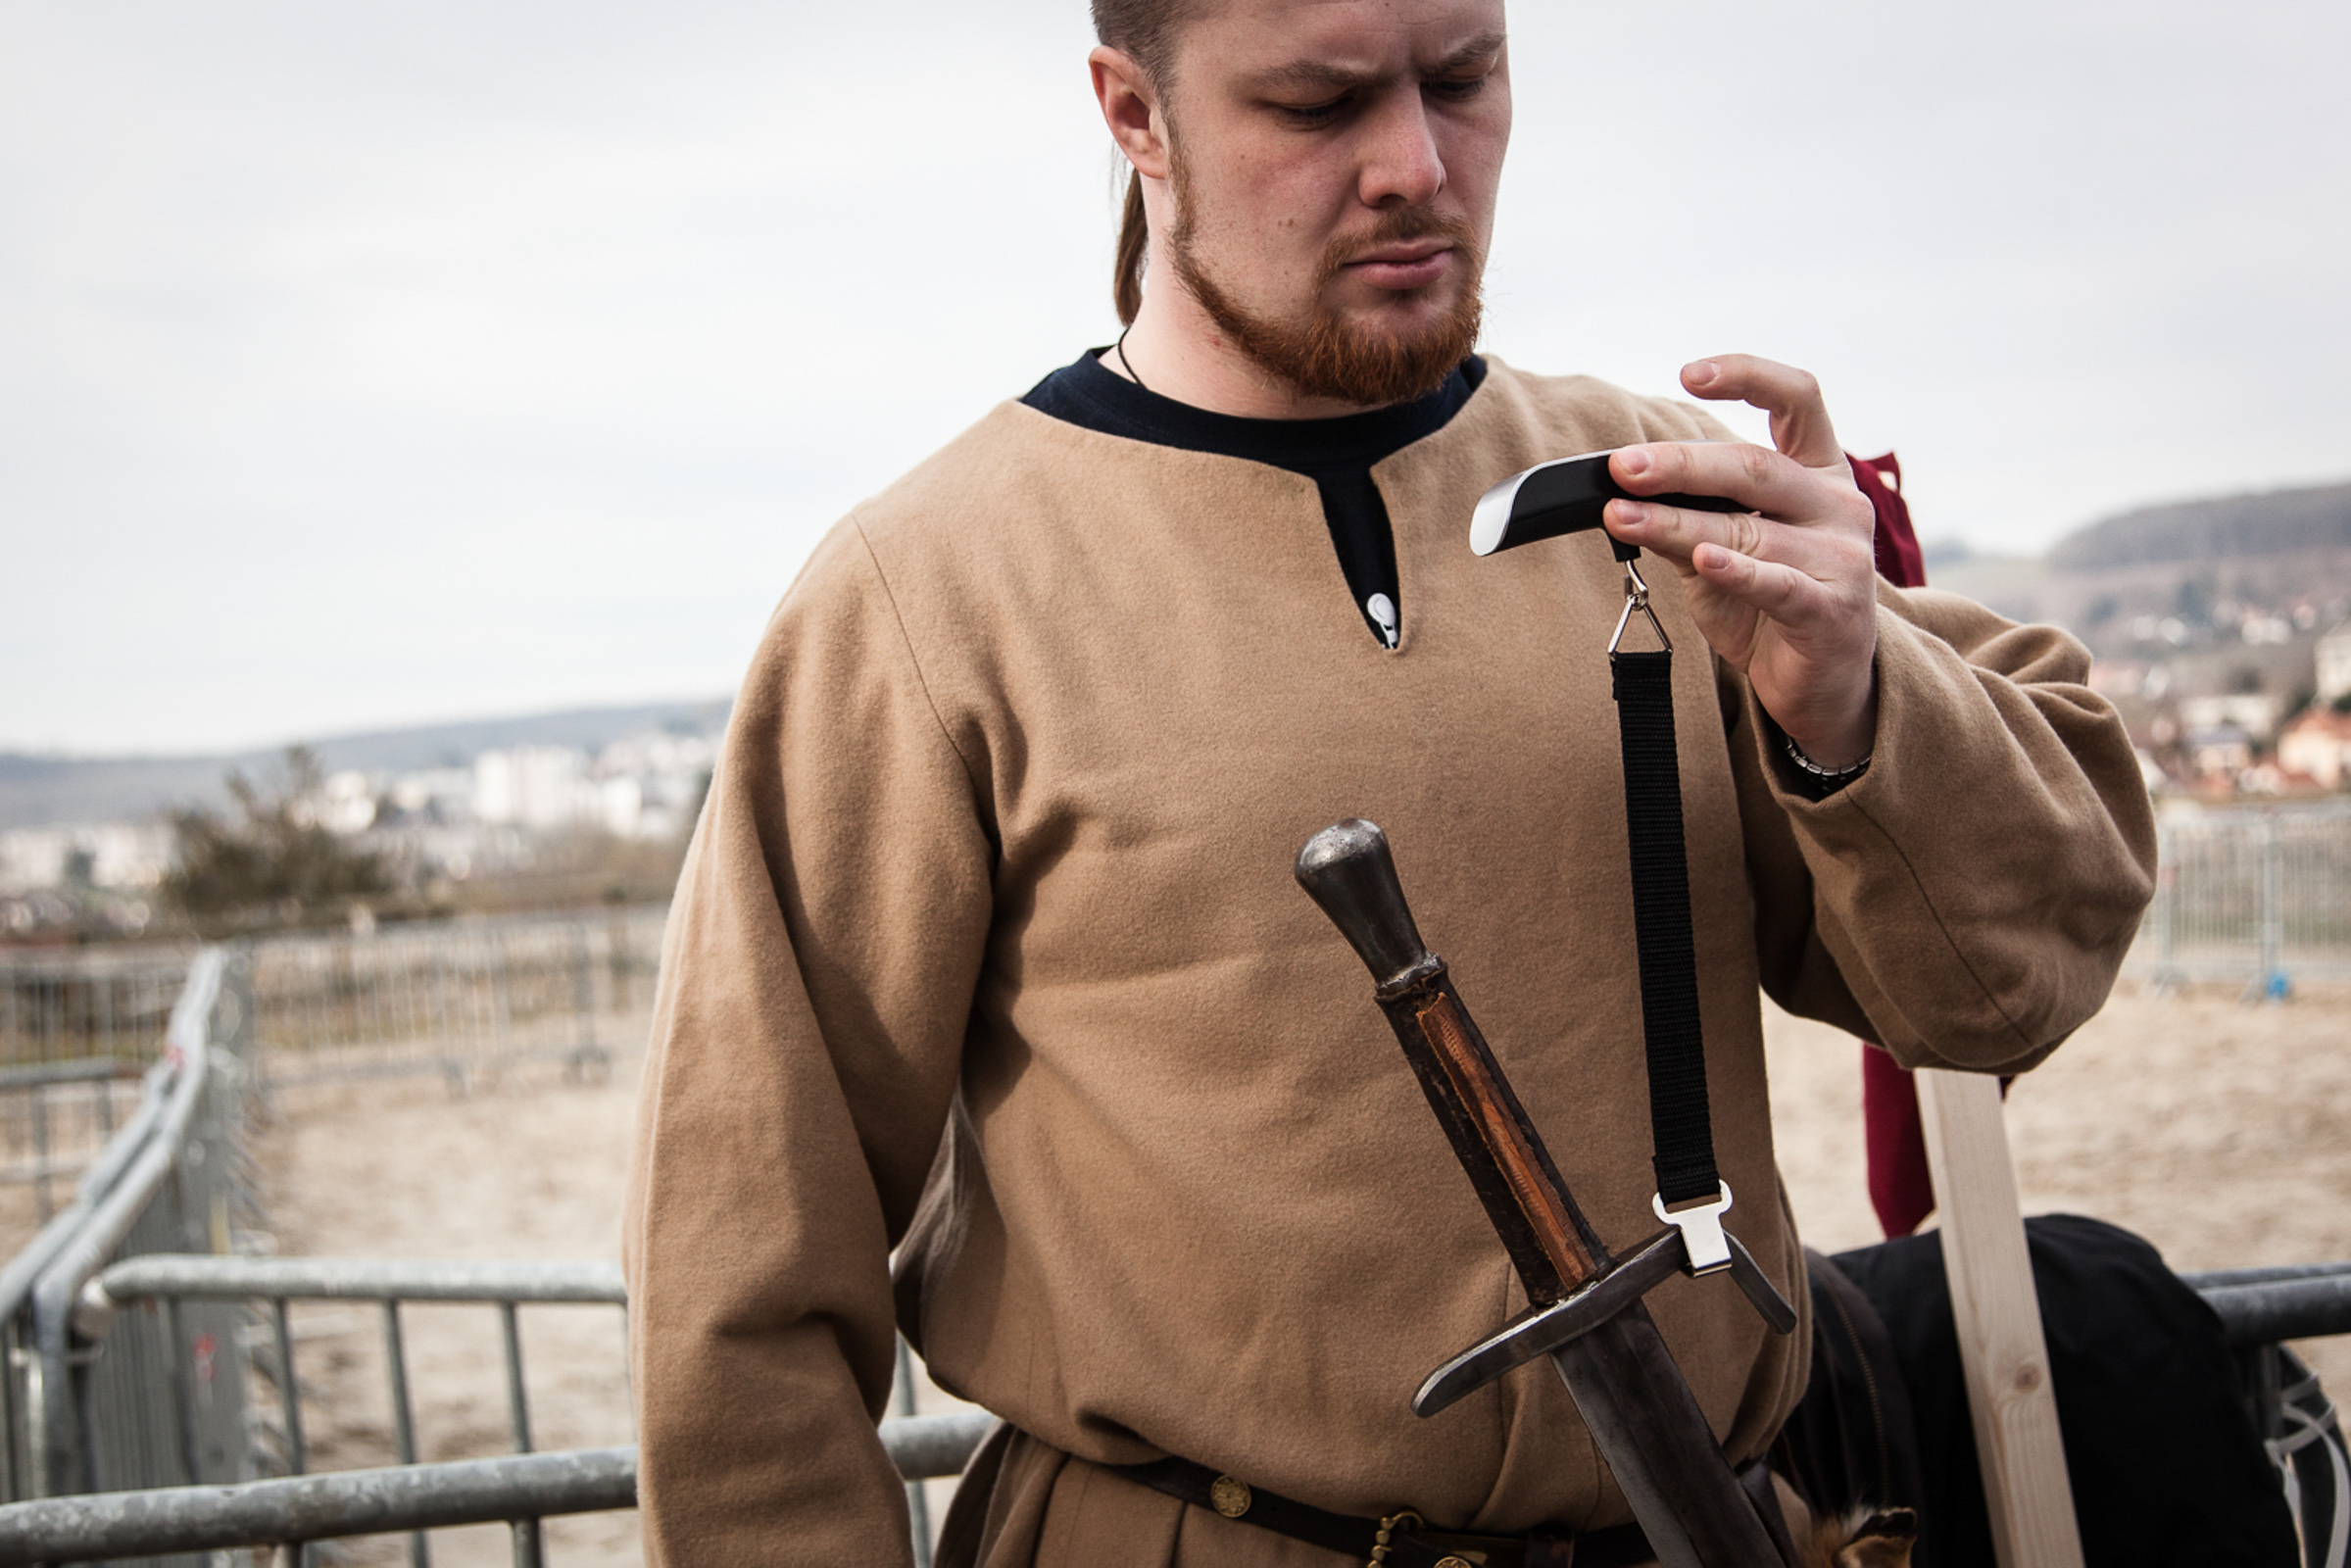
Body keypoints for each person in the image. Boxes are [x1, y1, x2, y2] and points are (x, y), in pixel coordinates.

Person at [620, 2, 2158, 1563]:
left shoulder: (1668, 492)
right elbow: (742, 1274)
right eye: (1319, 103)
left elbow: (2011, 984)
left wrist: (1858, 705)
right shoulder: (928, 597)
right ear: (1134, 114)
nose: (1417, 166)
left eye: (1463, 80)